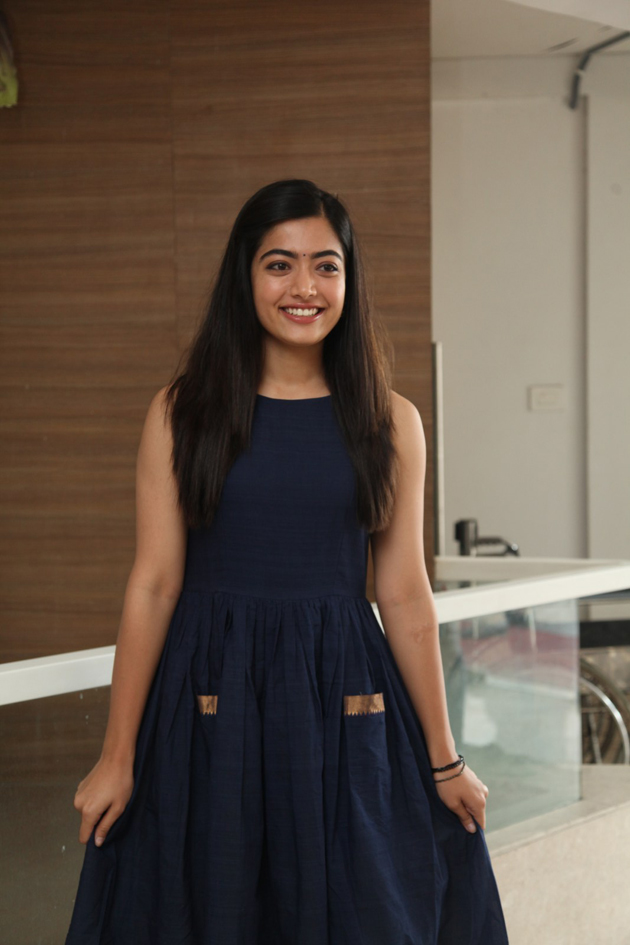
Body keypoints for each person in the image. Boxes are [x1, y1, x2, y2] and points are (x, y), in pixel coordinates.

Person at [65, 179, 510, 943]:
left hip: (345, 698)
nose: (304, 286)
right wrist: (117, 753)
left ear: (349, 279)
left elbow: (403, 594)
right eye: (280, 264)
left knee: (367, 910)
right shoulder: (182, 411)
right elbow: (154, 584)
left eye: (325, 265)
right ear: (245, 276)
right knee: (210, 910)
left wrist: (443, 757)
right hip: (208, 696)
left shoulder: (391, 420)